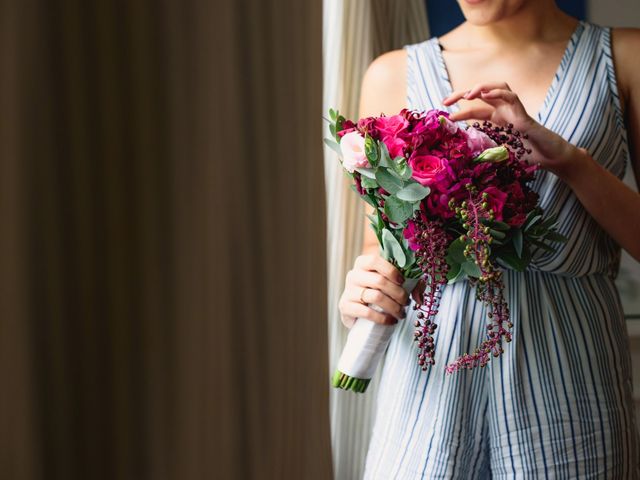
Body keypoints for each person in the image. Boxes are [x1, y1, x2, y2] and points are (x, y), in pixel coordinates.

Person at [337, 0, 640, 477]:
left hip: (571, 373)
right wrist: (365, 290)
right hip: (429, 377)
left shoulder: (625, 57)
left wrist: (570, 160)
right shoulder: (391, 73)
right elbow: (383, 246)